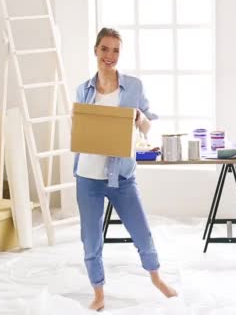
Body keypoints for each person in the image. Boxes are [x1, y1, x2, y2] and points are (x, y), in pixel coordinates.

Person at [74, 27, 177, 311]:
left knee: (141, 231)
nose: (110, 55)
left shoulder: (133, 87)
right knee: (91, 238)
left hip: (121, 173)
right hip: (88, 174)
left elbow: (147, 124)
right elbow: (80, 130)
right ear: (95, 50)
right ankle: (98, 294)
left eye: (116, 50)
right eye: (105, 49)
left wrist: (139, 116)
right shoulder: (83, 90)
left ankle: (156, 278)